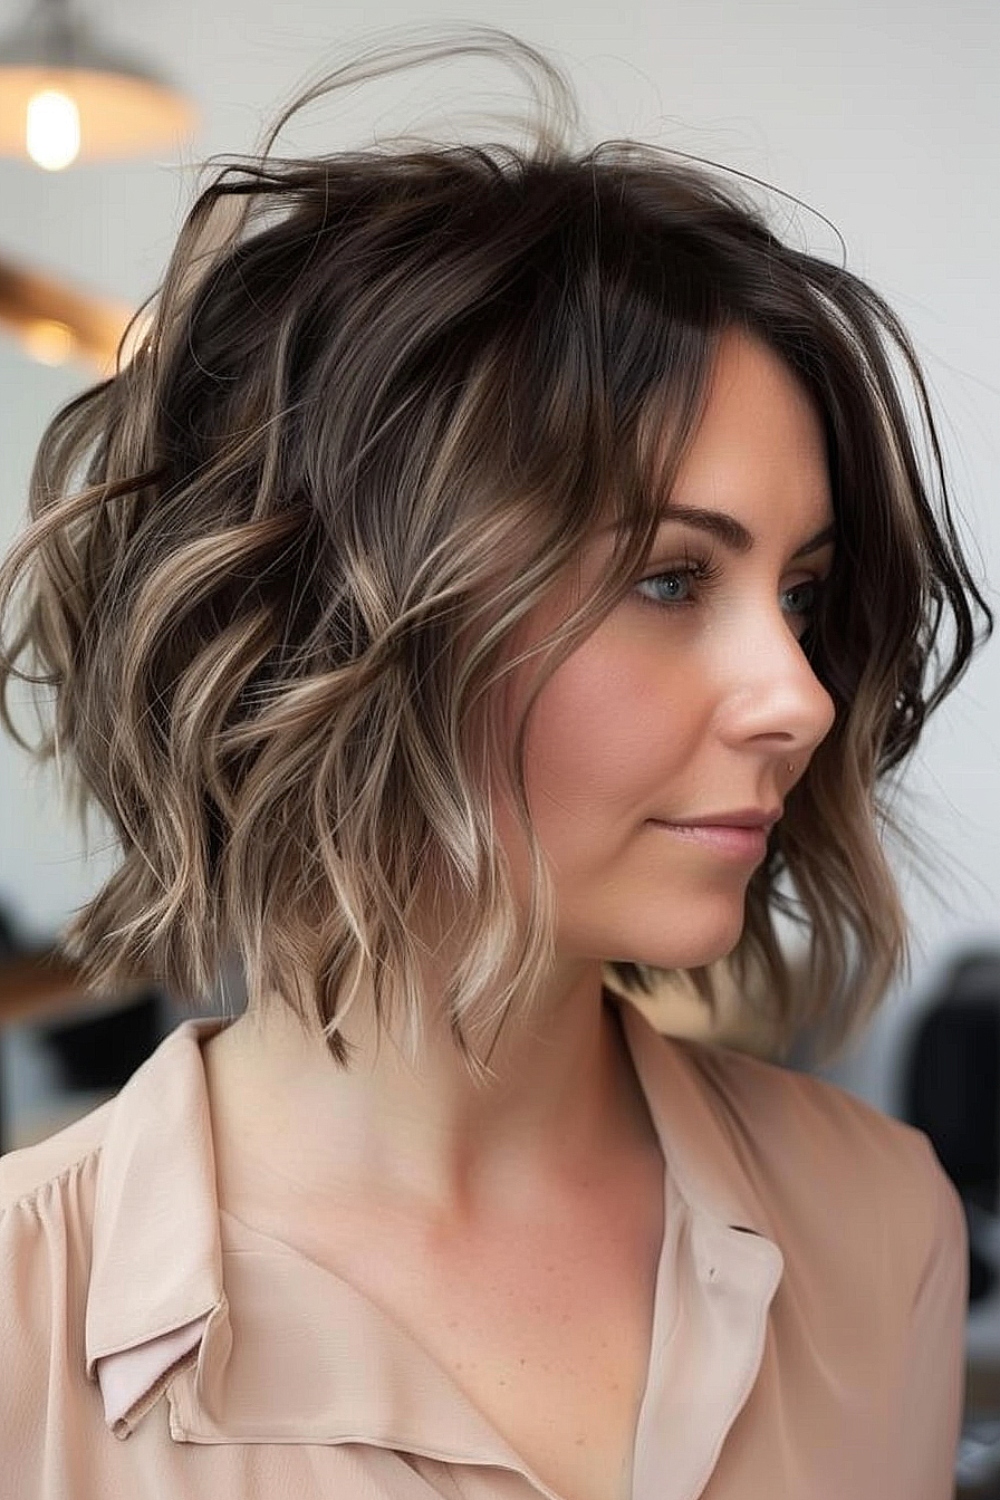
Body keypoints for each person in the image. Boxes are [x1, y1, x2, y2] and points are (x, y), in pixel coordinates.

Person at [0, 28, 992, 1500]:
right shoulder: (29, 1323)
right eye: (669, 580)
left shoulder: (876, 1228)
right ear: (348, 619)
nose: (800, 696)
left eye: (800, 598)